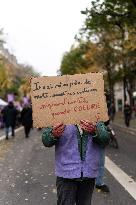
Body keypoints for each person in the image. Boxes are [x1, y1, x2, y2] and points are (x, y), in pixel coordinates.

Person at [42, 120, 110, 205]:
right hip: (66, 174)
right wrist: (53, 134)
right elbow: (46, 140)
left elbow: (106, 139)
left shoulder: (94, 114)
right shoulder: (58, 114)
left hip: (88, 174)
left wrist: (95, 131)